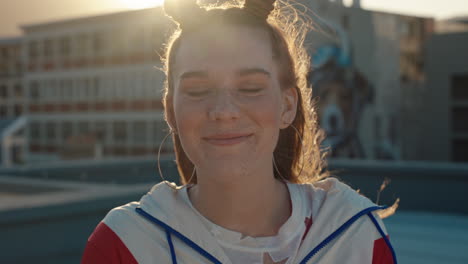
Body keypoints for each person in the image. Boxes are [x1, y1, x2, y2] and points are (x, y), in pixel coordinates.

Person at [81, 0, 397, 263]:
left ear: (287, 106)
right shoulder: (124, 245)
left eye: (250, 87)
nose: (224, 111)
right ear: (170, 112)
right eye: (197, 90)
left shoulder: (355, 237)